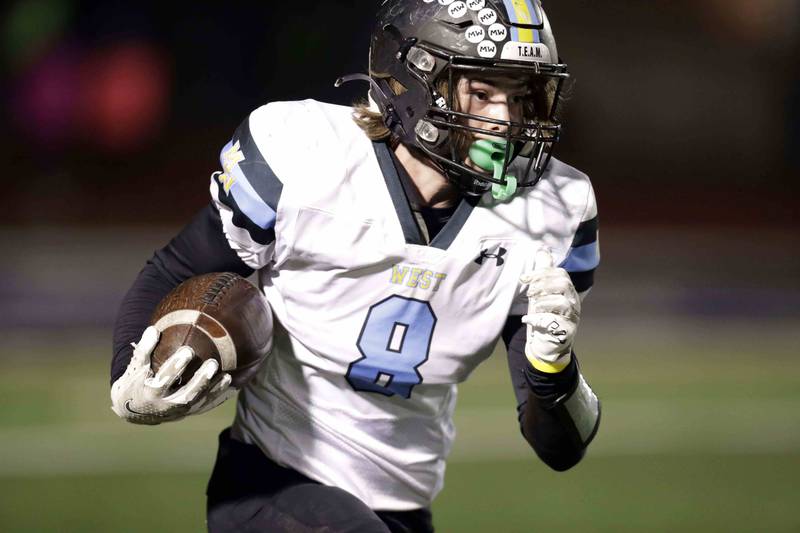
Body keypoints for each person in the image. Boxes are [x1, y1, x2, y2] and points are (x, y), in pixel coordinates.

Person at [110, 1, 601, 531]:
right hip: (272, 484)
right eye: (482, 92)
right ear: (414, 82)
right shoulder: (306, 153)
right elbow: (176, 268)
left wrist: (554, 370)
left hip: (402, 509)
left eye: (521, 95)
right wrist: (126, 377)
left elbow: (560, 449)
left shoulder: (556, 208)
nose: (506, 120)